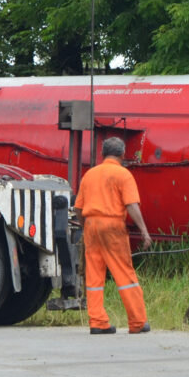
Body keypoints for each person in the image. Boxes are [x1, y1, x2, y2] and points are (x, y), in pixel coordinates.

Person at [74, 137, 153, 335]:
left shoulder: (89, 175)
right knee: (124, 274)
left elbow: (78, 208)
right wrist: (144, 231)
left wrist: (86, 227)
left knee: (94, 276)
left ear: (102, 154)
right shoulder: (123, 174)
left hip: (91, 225)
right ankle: (137, 322)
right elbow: (131, 205)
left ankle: (97, 322)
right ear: (122, 154)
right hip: (112, 226)